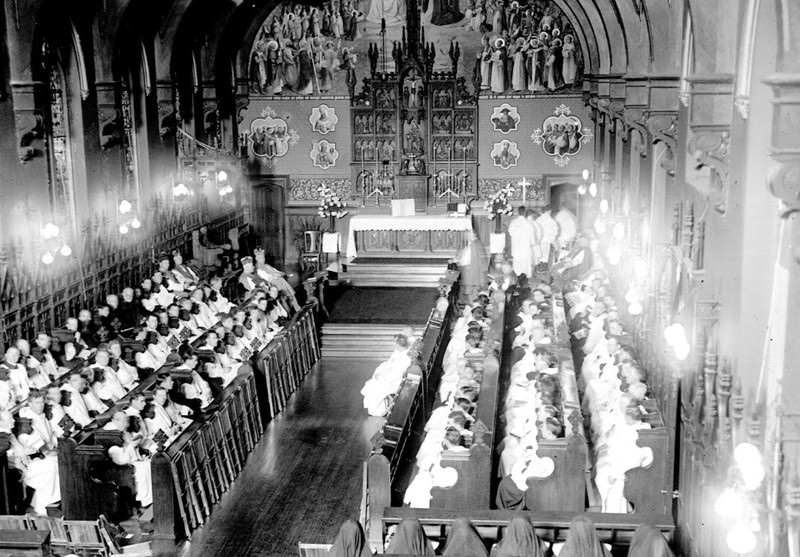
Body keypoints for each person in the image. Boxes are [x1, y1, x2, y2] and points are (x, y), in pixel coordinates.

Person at [361, 334, 411, 416]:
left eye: (395, 343)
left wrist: (383, 378)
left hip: (396, 381)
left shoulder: (405, 357)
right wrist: (381, 374)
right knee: (372, 382)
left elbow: (397, 373)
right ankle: (375, 409)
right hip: (392, 377)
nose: (394, 345)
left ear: (398, 344)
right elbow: (390, 365)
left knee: (374, 385)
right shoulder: (399, 353)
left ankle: (378, 411)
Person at [452, 232, 488, 303]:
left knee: (473, 298)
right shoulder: (469, 244)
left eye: (466, 234)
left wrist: (458, 261)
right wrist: (457, 260)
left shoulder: (475, 244)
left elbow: (474, 261)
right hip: (468, 274)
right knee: (468, 296)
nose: (464, 236)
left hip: (472, 275)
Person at [507, 206, 538, 278]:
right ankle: (526, 280)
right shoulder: (529, 224)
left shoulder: (513, 223)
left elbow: (510, 233)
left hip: (516, 248)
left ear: (518, 212)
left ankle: (517, 278)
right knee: (526, 265)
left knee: (517, 264)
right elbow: (532, 239)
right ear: (524, 212)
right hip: (525, 248)